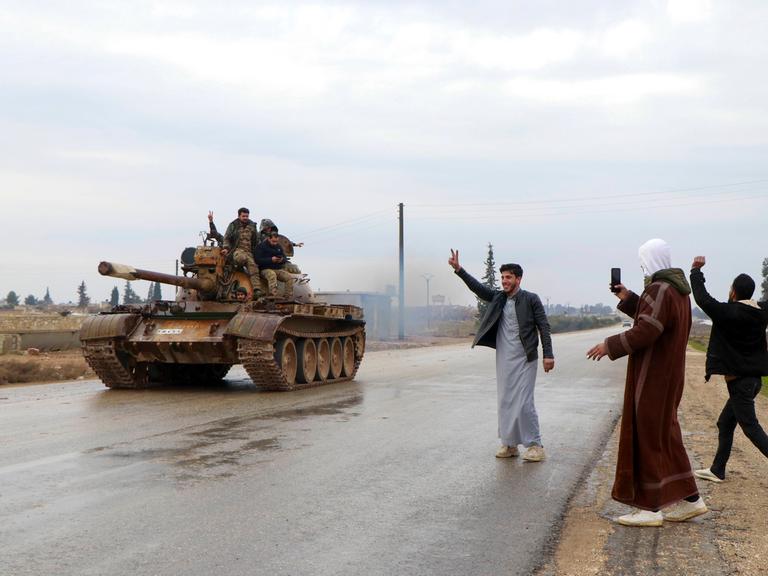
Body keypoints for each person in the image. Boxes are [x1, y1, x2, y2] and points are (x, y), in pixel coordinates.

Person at [586, 238, 706, 527]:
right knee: (666, 435)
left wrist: (610, 345)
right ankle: (692, 500)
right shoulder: (676, 290)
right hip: (669, 375)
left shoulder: (659, 288)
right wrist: (627, 298)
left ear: (651, 260)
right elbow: (653, 316)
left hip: (653, 376)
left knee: (647, 437)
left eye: (643, 261)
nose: (642, 266)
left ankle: (649, 509)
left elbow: (648, 329)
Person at [448, 249, 554, 462]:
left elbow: (544, 327)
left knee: (524, 402)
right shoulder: (498, 297)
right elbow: (478, 288)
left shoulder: (531, 299)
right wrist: (459, 270)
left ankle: (535, 445)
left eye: (508, 277)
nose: (504, 281)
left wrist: (548, 355)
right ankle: (510, 444)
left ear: (518, 279)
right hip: (505, 358)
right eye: (502, 277)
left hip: (526, 358)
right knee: (506, 401)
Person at [688, 256, 768, 483]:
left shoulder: (729, 312)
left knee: (751, 428)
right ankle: (717, 470)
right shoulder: (761, 311)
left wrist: (696, 271)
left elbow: (703, 299)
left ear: (733, 292)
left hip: (741, 383)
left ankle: (717, 469)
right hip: (752, 382)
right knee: (725, 422)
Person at [221, 207, 262, 300]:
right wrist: (226, 248)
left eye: (247, 216)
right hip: (237, 250)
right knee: (241, 258)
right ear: (239, 215)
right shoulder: (233, 225)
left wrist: (256, 252)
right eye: (243, 216)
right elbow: (226, 238)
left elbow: (255, 240)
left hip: (249, 251)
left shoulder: (252, 225)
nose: (245, 218)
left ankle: (257, 290)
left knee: (254, 268)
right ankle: (237, 267)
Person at [254, 231, 295, 299]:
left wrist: (281, 260)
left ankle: (288, 297)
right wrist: (270, 259)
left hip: (277, 269)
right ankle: (273, 295)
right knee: (272, 274)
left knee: (289, 277)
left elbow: (285, 258)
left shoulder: (278, 247)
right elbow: (257, 260)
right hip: (264, 270)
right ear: (269, 239)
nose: (275, 243)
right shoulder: (261, 247)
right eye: (273, 241)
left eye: (276, 241)